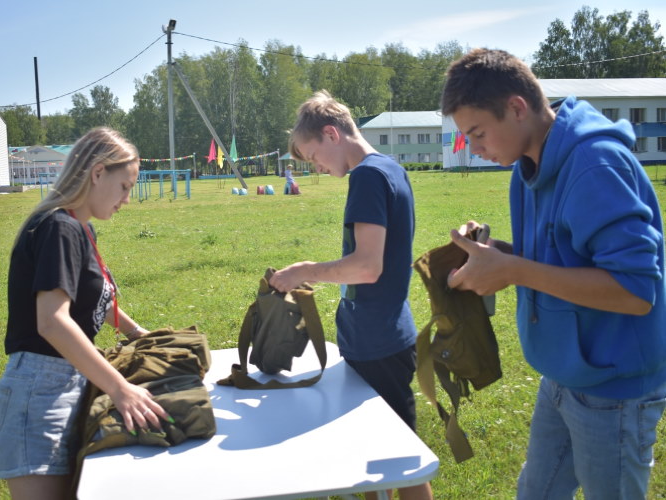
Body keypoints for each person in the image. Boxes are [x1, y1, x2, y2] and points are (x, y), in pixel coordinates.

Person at [440, 48, 666, 499]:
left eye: (478, 133)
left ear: (517, 108)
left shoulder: (595, 165)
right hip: (563, 377)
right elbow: (557, 257)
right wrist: (495, 253)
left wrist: (513, 270)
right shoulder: (527, 164)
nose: (475, 147)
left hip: (614, 389)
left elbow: (637, 291)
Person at [269, 90, 433, 500]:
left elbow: (367, 266)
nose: (318, 167)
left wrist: (305, 271)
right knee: (370, 453)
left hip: (379, 343)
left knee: (402, 463)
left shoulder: (367, 176)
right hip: (380, 336)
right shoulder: (389, 168)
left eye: (314, 156)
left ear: (331, 133)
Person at [0, 127, 171, 500]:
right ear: (97, 173)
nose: (128, 199)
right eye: (125, 186)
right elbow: (53, 322)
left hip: (68, 382)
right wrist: (120, 389)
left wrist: (139, 334)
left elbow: (95, 298)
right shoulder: (58, 228)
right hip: (40, 394)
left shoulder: (79, 227)